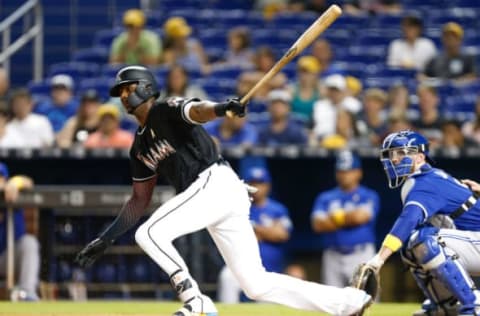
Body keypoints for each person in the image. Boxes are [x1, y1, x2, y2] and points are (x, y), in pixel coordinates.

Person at [75, 65, 372, 316]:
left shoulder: (163, 110)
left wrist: (221, 108)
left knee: (149, 233)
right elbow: (140, 200)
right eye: (121, 92)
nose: (123, 95)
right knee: (256, 285)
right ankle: (348, 303)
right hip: (217, 195)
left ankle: (195, 301)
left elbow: (195, 111)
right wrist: (106, 238)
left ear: (145, 87)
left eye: (128, 88)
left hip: (213, 183)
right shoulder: (139, 147)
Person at [362, 130, 480, 316]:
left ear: (419, 156)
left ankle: (473, 305)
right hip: (473, 240)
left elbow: (408, 220)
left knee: (423, 240)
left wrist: (379, 259)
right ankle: (446, 306)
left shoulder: (424, 182)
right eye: (392, 154)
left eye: (401, 153)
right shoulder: (425, 178)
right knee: (410, 248)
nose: (394, 159)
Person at [218, 166, 293, 303]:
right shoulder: (237, 206)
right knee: (227, 276)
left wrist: (253, 227)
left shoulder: (277, 209)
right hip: (240, 265)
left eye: (260, 183)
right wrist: (268, 231)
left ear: (268, 186)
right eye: (253, 183)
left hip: (270, 268)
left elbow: (282, 235)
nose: (256, 187)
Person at [311, 151, 379, 287]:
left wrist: (335, 218)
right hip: (333, 254)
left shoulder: (369, 195)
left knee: (365, 298)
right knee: (332, 300)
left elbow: (360, 218)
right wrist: (348, 218)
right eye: (341, 171)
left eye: (349, 170)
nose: (345, 175)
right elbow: (318, 225)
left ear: (358, 172)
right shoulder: (325, 197)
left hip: (361, 254)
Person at [0, 163, 40, 301]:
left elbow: (28, 182)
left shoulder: (12, 191)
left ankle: (27, 293)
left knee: (29, 243)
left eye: (0, 177)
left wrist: (14, 183)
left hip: (7, 257)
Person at [288, 55, 322, 122]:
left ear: (315, 74)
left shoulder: (321, 92)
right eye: (302, 71)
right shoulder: (291, 91)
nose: (304, 75)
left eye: (308, 72)